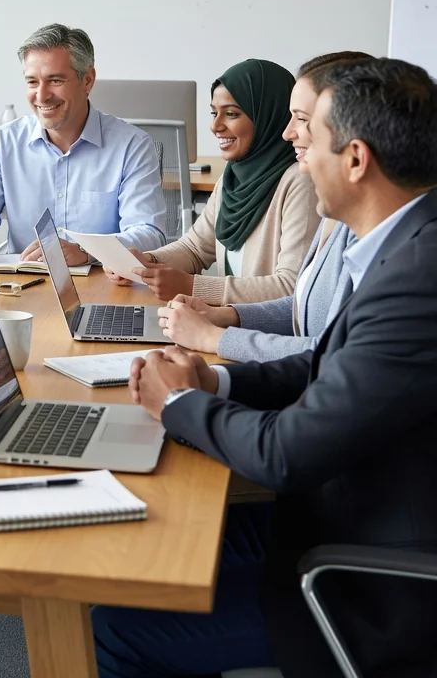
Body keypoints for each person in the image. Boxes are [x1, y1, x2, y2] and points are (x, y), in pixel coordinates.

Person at [93, 57, 437, 678]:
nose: (293, 145)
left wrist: (179, 405)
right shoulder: (402, 244)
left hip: (371, 579)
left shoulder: (418, 278)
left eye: (310, 132)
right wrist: (214, 378)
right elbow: (326, 362)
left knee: (118, 627)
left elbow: (286, 454)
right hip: (336, 512)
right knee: (152, 544)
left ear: (355, 159)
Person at [158, 52, 372, 361]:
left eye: (302, 119)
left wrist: (215, 333)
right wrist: (227, 316)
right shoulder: (234, 176)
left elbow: (330, 350)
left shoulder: (306, 187)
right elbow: (302, 304)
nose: (288, 132)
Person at [0, 24, 167, 265]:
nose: (41, 96)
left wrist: (85, 251)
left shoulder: (132, 146)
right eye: (32, 82)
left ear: (88, 80)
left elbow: (150, 234)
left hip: (104, 285)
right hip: (23, 288)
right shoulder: (3, 143)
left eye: (55, 80)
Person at [107, 58, 319, 305]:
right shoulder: (233, 177)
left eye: (231, 114)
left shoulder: (301, 183)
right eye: (214, 113)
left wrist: (192, 287)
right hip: (224, 325)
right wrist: (146, 263)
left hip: (263, 336)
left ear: (268, 115)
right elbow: (195, 249)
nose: (215, 126)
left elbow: (291, 287)